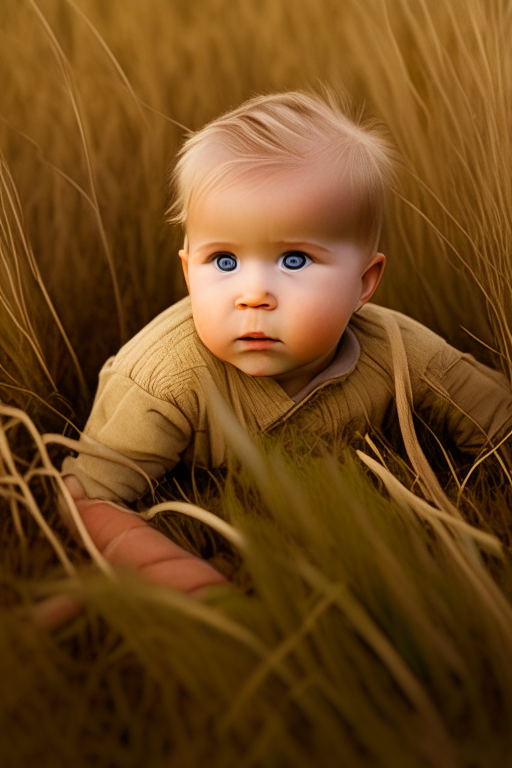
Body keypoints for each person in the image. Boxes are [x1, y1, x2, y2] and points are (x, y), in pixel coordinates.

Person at [59, 90, 512, 601]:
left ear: (364, 283)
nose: (252, 295)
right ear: (188, 273)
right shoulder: (164, 377)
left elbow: (499, 426)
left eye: (294, 260)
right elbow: (85, 497)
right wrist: (182, 576)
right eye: (224, 262)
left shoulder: (401, 353)